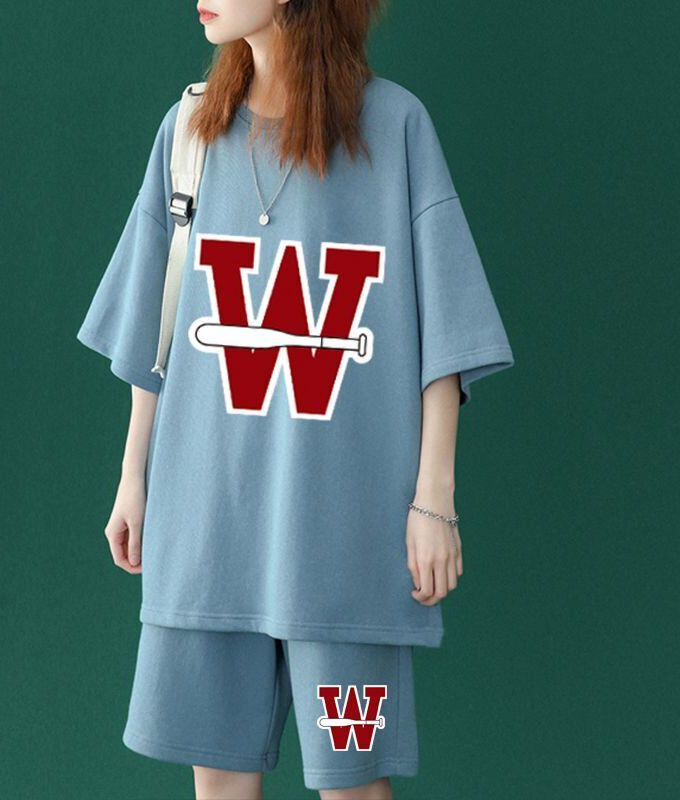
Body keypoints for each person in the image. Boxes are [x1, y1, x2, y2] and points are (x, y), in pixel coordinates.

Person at [76, 1, 515, 797]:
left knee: (353, 784)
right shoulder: (188, 135)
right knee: (219, 781)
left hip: (345, 533)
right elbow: (157, 333)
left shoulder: (396, 127)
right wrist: (133, 478)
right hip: (208, 522)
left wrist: (435, 500)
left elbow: (446, 336)